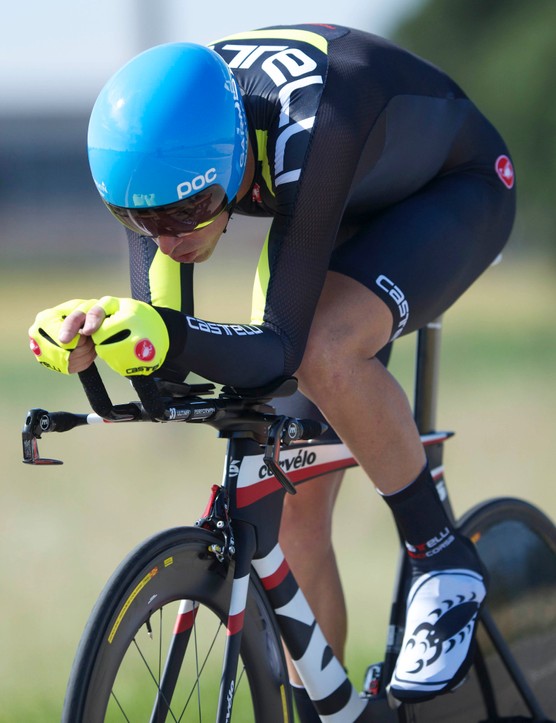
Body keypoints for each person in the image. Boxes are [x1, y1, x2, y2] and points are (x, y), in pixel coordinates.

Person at [28, 23, 516, 719]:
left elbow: (279, 349)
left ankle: (442, 555)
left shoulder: (308, 126)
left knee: (321, 348)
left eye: (187, 210)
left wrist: (163, 335)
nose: (167, 238)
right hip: (332, 204)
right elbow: (164, 361)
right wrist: (99, 336)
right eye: (138, 219)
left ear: (230, 161)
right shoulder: (166, 155)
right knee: (292, 510)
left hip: (450, 189)